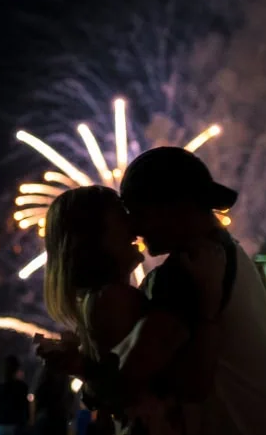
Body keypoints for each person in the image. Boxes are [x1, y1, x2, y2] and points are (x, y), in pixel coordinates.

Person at [39, 147, 266, 434]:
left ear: (172, 208)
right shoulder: (230, 255)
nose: (134, 228)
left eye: (137, 212)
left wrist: (86, 374)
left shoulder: (186, 273)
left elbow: (139, 381)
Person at [39, 184, 224, 434]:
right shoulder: (115, 299)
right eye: (121, 217)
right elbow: (191, 383)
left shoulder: (96, 301)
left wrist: (84, 369)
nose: (134, 228)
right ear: (96, 238)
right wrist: (208, 307)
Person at [0, 355, 29, 435]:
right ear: (17, 369)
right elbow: (25, 409)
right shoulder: (22, 387)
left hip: (1, 426)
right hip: (17, 427)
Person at [31, 365, 73, 435]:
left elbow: (37, 394)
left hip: (45, 415)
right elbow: (69, 397)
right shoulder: (64, 375)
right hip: (60, 416)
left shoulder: (43, 372)